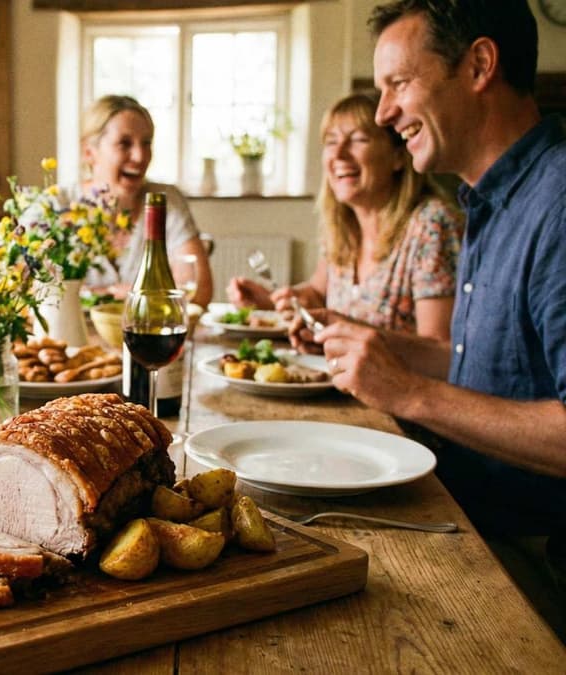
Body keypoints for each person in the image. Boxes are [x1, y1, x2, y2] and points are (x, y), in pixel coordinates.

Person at [295, 0, 564, 638]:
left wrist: (409, 392)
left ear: (479, 65)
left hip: (529, 552)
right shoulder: (490, 199)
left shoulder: (557, 201)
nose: (385, 113)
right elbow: (494, 367)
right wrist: (373, 342)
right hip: (463, 508)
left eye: (398, 84)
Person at [228, 93, 463, 340]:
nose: (338, 154)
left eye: (359, 140)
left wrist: (347, 332)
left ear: (398, 157)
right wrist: (269, 300)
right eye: (331, 141)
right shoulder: (342, 227)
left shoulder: (432, 225)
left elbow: (440, 348)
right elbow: (318, 293)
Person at [71, 95, 214, 306]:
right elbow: (29, 292)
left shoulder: (165, 202)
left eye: (146, 143)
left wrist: (104, 293)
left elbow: (198, 290)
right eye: (124, 143)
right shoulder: (55, 206)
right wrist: (123, 292)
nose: (140, 156)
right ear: (89, 153)